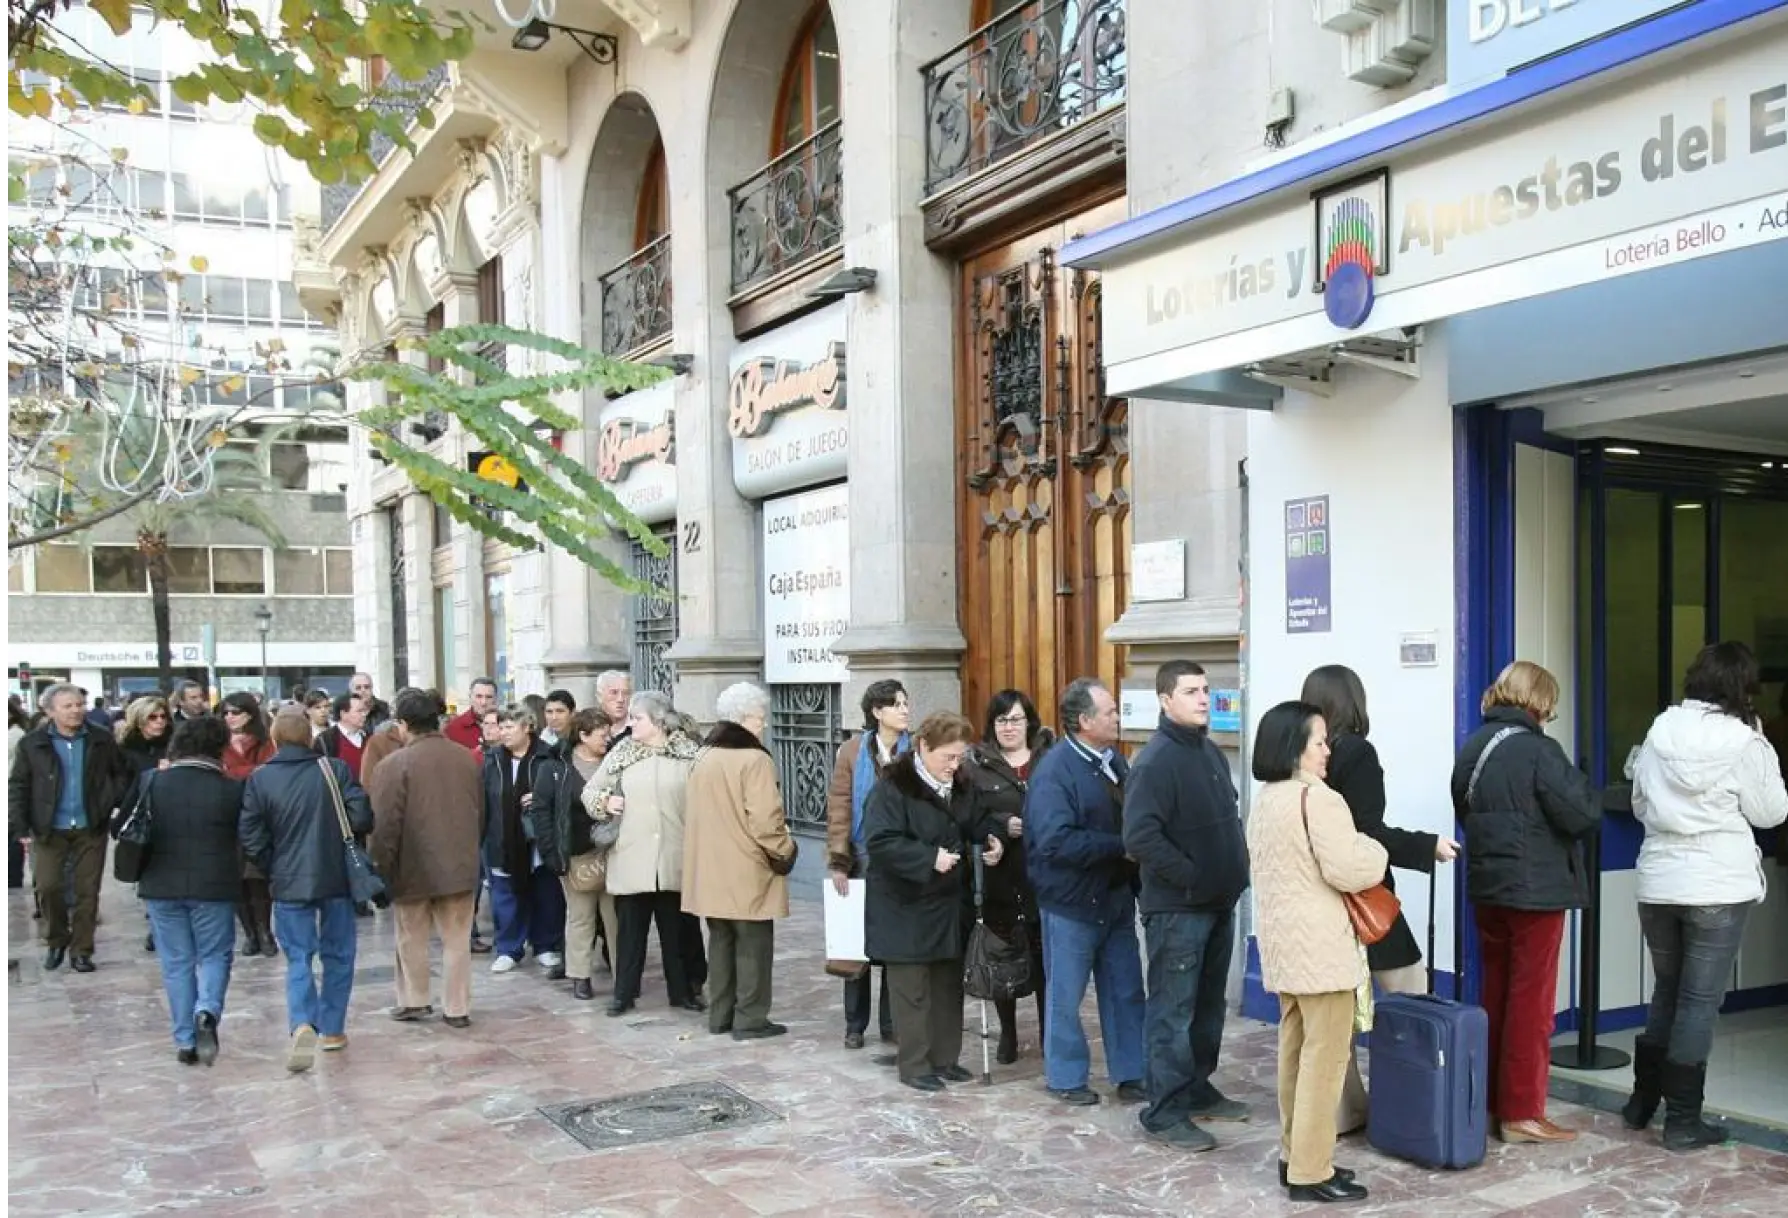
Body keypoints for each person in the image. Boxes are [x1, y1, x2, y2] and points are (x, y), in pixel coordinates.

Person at [1623, 641, 1788, 1151]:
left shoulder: (1660, 729)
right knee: (1697, 1002)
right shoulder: (1744, 740)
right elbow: (1771, 812)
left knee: (1667, 992)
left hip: (1660, 881)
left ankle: (1641, 1103)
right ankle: (1683, 1122)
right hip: (1717, 883)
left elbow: (1639, 801)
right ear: (1743, 686)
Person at [1300, 664, 1459, 1133]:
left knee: (1336, 1012)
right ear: (1354, 701)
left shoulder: (1300, 761)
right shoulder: (1358, 753)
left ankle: (1343, 1110)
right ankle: (1416, 1104)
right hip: (1367, 898)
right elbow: (1368, 833)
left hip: (1320, 898)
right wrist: (1426, 846)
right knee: (1412, 995)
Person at [1451, 659, 1601, 1144]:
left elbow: (1465, 809)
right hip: (1535, 892)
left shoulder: (1473, 748)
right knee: (1532, 1004)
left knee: (1495, 994)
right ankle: (1522, 1112)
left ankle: (1492, 1101)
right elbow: (1582, 815)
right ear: (1538, 702)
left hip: (1488, 888)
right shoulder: (1539, 751)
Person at [1248, 700, 1388, 1204]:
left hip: (1284, 948)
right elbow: (1351, 868)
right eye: (1320, 742)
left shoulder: (1267, 799)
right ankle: (1311, 1170)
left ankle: (1296, 1155)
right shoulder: (1319, 800)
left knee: (1294, 1053)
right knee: (1324, 1061)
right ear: (1295, 748)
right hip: (1322, 952)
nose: (1328, 751)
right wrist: (1377, 850)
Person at [1124, 660, 1253, 1150]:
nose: (1203, 699)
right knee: (1171, 1014)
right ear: (1164, 700)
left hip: (1218, 903)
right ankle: (1164, 1110)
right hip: (1179, 910)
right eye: (1191, 691)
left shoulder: (1210, 753)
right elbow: (1140, 838)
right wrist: (1193, 878)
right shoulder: (1155, 761)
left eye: (1205, 689)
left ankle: (1197, 1088)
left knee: (1206, 1007)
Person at [864, 711, 1004, 1091]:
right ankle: (914, 1065)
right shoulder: (893, 786)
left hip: (947, 906)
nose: (954, 765)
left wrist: (991, 839)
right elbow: (880, 841)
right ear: (923, 746)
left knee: (947, 986)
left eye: (959, 757)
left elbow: (975, 820)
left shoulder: (960, 783)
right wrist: (928, 858)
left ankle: (945, 1059)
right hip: (904, 907)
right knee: (912, 990)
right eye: (948, 757)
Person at [1027, 677, 1147, 1107]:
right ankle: (1065, 1076)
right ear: (1084, 721)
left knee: (1126, 989)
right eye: (1110, 711)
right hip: (1071, 903)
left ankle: (1133, 1071)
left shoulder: (1115, 761)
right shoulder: (1055, 771)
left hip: (1114, 898)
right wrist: (1121, 847)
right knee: (1066, 993)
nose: (1118, 716)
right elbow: (1054, 841)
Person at [240, 710, 372, 1072]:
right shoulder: (334, 770)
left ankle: (301, 1022)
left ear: (275, 738)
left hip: (287, 880)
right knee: (339, 953)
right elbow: (362, 817)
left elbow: (250, 835)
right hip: (335, 877)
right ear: (310, 737)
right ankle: (332, 1030)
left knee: (298, 956)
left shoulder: (260, 778)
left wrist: (273, 864)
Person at [682, 683, 798, 1039]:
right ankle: (750, 1019)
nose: (762, 725)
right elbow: (766, 819)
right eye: (759, 718)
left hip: (710, 868)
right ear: (744, 718)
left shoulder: (703, 755)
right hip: (748, 868)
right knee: (753, 948)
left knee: (720, 944)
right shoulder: (754, 759)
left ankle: (720, 1015)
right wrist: (786, 849)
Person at [128, 715, 244, 1066]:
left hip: (160, 882)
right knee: (214, 954)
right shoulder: (232, 788)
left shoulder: (152, 782)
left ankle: (185, 1039)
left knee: (176, 962)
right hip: (214, 883)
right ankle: (207, 1008)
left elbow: (121, 824)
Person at [582, 691, 703, 1016]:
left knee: (677, 933)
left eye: (638, 718)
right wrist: (605, 803)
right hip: (631, 857)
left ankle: (684, 992)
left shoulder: (688, 754)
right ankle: (624, 994)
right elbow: (590, 791)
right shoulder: (622, 752)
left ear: (659, 721)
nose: (630, 723)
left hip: (674, 858)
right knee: (630, 935)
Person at [370, 689, 485, 1030]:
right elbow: (480, 810)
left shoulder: (393, 765)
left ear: (404, 724)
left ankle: (414, 1000)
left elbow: (385, 825)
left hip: (412, 866)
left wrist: (380, 867)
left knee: (411, 937)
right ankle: (457, 1006)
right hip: (459, 863)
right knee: (457, 940)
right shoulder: (465, 757)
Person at [8, 684, 128, 972]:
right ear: (49, 711)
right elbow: (19, 785)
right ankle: (56, 939)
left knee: (87, 891)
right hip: (48, 827)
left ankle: (82, 950)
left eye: (79, 704)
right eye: (68, 706)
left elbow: (120, 773)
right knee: (48, 887)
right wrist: (21, 825)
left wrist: (108, 800)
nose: (76, 711)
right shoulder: (32, 743)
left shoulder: (100, 739)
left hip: (90, 825)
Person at [962, 689, 1050, 1064]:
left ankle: (1051, 1036)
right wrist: (1000, 824)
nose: (1009, 727)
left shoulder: (1049, 759)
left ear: (1029, 720)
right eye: (1001, 720)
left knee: (1045, 956)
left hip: (1045, 873)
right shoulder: (976, 765)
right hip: (1001, 875)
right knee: (1002, 955)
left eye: (1015, 718)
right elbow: (968, 815)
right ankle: (1008, 1035)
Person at [825, 679, 911, 1049]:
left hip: (900, 859)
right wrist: (839, 861)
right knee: (854, 943)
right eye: (897, 704)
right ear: (877, 712)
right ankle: (854, 1025)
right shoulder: (852, 751)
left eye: (906, 703)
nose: (905, 710)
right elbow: (840, 807)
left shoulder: (915, 751)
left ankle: (891, 1023)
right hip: (862, 857)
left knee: (894, 942)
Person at [534, 706, 619, 1000]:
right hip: (575, 852)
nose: (607, 740)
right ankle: (580, 976)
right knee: (580, 916)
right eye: (601, 734)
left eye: (609, 734)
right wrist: (551, 854)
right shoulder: (555, 767)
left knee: (616, 917)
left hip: (614, 851)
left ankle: (624, 975)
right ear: (582, 735)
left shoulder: (615, 762)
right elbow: (542, 812)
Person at [480, 703, 566, 975]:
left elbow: (562, 792)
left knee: (545, 892)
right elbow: (483, 800)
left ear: (527, 727)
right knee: (505, 896)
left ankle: (546, 945)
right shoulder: (492, 759)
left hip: (539, 839)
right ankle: (508, 948)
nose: (503, 733)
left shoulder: (547, 756)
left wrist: (541, 798)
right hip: (502, 838)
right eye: (500, 726)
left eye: (509, 727)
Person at [221, 692, 279, 957]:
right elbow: (219, 773)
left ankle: (265, 931)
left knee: (257, 877)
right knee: (235, 879)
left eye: (235, 712)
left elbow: (268, 772)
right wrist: (246, 773)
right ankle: (250, 934)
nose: (229, 718)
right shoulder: (219, 742)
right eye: (225, 713)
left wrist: (236, 774)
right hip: (227, 816)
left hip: (258, 816)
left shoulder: (265, 742)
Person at [117, 695, 174, 952]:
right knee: (148, 873)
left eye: (163, 716)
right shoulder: (125, 750)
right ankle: (156, 924)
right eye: (152, 717)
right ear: (139, 721)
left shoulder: (175, 744)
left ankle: (159, 926)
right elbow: (120, 788)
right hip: (142, 819)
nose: (159, 722)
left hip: (172, 815)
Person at [444, 678, 500, 752]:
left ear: (496, 699)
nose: (483, 702)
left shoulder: (506, 726)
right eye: (479, 696)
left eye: (489, 697)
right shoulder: (453, 729)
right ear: (470, 697)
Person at [596, 671, 634, 746]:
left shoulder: (638, 727)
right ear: (599, 696)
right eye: (614, 692)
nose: (620, 699)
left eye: (625, 693)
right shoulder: (589, 726)